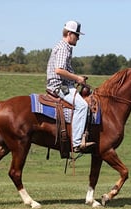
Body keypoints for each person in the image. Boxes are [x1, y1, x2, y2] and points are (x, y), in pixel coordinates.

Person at [46, 20, 95, 153]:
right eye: (76, 35)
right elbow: (59, 70)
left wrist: (77, 79)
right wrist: (77, 78)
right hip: (59, 86)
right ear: (69, 34)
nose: (78, 38)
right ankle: (76, 143)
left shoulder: (65, 47)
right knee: (83, 106)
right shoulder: (63, 48)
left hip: (63, 84)